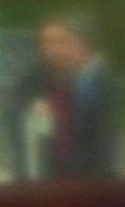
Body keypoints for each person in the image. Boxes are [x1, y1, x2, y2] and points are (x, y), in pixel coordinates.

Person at [9, 18, 117, 181]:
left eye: (59, 41)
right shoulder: (34, 76)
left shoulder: (94, 79)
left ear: (74, 43)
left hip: (83, 178)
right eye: (45, 42)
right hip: (39, 173)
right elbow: (14, 108)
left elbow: (102, 143)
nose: (50, 48)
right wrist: (31, 106)